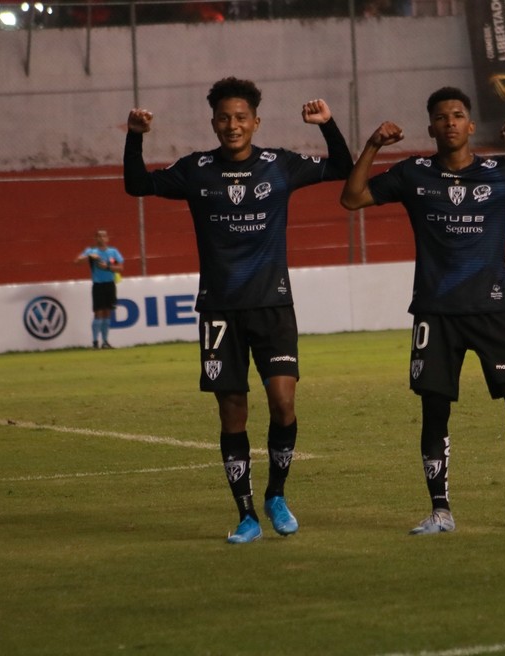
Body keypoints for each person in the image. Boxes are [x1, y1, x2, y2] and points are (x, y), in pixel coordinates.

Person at [341, 87, 505, 534]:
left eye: (457, 115)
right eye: (440, 117)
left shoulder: (501, 174)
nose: (449, 122)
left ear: (470, 126)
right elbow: (352, 198)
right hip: (435, 312)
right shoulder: (413, 174)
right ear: (430, 128)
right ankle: (440, 510)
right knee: (435, 408)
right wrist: (373, 145)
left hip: (492, 311)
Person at [124, 77, 353, 544]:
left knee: (283, 403)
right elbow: (137, 184)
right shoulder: (196, 170)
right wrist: (134, 136)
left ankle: (276, 495)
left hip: (272, 305)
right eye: (225, 118)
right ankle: (246, 515)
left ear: (256, 122)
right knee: (233, 412)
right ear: (214, 123)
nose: (233, 125)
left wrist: (327, 125)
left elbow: (342, 168)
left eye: (241, 117)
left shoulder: (280, 165)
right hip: (220, 312)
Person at [74, 229, 124, 348]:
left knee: (107, 312)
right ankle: (95, 342)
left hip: (110, 285)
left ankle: (105, 342)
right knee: (98, 313)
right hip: (98, 285)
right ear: (95, 239)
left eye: (104, 236)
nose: (101, 238)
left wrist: (107, 267)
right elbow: (77, 262)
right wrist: (89, 257)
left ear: (107, 238)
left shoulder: (113, 252)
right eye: (99, 236)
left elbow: (120, 268)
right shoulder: (91, 251)